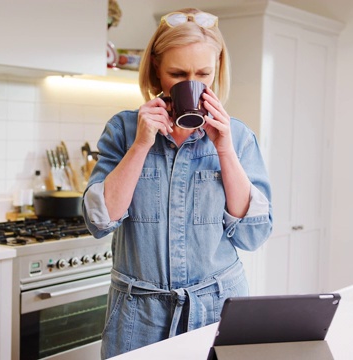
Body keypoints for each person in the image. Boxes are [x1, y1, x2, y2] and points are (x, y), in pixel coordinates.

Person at [82, 8, 273, 359]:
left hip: (216, 312)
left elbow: (253, 234)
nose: (192, 82)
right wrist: (141, 144)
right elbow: (99, 220)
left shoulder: (239, 137)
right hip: (138, 318)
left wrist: (224, 149)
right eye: (177, 73)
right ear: (156, 68)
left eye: (203, 73)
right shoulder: (124, 131)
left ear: (217, 70)